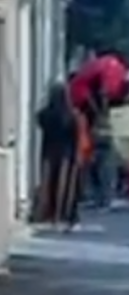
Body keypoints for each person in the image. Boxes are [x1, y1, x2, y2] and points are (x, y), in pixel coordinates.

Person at [33, 83, 88, 231]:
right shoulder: (72, 115)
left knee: (48, 184)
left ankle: (48, 214)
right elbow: (77, 136)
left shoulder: (44, 115)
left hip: (48, 152)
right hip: (67, 154)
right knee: (66, 186)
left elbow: (39, 122)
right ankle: (64, 215)